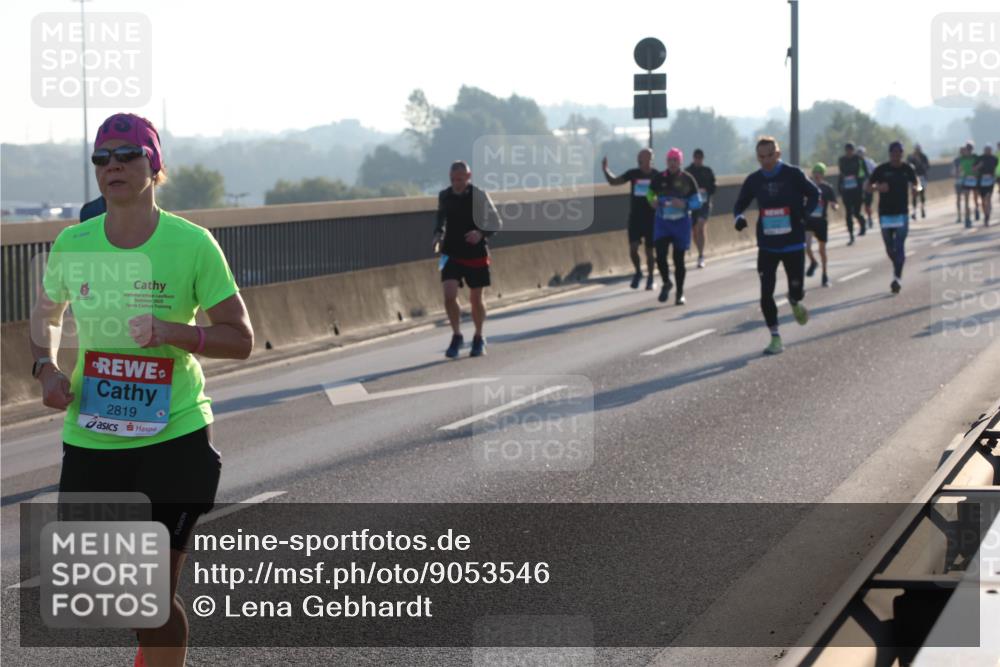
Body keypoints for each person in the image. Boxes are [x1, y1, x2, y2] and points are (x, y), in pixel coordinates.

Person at [30, 113, 254, 667]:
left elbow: (240, 338)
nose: (113, 167)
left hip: (173, 432)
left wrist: (173, 332)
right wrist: (46, 368)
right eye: (102, 159)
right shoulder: (73, 242)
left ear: (154, 167)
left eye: (127, 156)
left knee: (148, 595)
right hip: (92, 434)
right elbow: (46, 315)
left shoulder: (192, 244)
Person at [733, 136, 818, 355]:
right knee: (765, 293)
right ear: (757, 157)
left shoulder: (793, 174)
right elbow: (739, 205)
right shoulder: (754, 180)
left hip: (793, 243)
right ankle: (775, 336)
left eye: (770, 155)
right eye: (761, 157)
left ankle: (794, 301)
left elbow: (814, 193)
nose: (766, 160)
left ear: (778, 154)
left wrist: (806, 215)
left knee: (796, 290)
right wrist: (739, 218)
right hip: (768, 245)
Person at [433, 160, 502, 358]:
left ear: (468, 177)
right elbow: (440, 219)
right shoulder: (444, 196)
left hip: (475, 252)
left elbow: (496, 222)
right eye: (453, 179)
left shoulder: (478, 195)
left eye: (460, 179)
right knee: (449, 294)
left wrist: (481, 233)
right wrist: (437, 234)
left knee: (475, 299)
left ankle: (479, 337)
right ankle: (456, 335)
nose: (457, 183)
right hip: (450, 252)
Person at [646, 148, 702, 305]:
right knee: (660, 255)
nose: (672, 163)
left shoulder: (688, 179)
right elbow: (650, 194)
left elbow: (697, 202)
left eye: (675, 160)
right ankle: (666, 282)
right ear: (666, 162)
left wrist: (684, 204)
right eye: (670, 160)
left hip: (681, 223)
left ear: (680, 162)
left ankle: (680, 292)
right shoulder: (659, 178)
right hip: (663, 223)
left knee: (679, 260)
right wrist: (652, 201)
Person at [866, 141, 919, 295]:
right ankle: (898, 266)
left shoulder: (907, 169)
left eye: (899, 153)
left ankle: (897, 278)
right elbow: (867, 187)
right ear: (890, 154)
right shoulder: (881, 170)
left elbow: (917, 183)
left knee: (899, 244)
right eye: (894, 153)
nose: (897, 156)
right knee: (890, 248)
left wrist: (916, 189)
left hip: (902, 213)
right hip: (885, 214)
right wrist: (877, 188)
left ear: (902, 153)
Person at [602, 149, 656, 289]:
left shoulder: (657, 175)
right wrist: (606, 170)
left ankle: (651, 277)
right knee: (633, 249)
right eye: (639, 157)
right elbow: (614, 182)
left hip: (651, 218)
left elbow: (666, 190)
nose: (640, 160)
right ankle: (638, 272)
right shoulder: (633, 174)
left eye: (642, 157)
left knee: (650, 251)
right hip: (635, 218)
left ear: (650, 159)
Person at [805, 163, 838, 288]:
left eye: (820, 173)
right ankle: (813, 262)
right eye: (815, 172)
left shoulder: (827, 188)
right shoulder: (808, 187)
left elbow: (834, 202)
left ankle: (824, 275)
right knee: (806, 246)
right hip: (809, 221)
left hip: (821, 222)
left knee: (822, 250)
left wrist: (834, 206)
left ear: (823, 175)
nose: (817, 175)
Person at [686, 148, 717, 268]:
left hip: (704, 203)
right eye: (696, 157)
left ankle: (701, 255)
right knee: (695, 231)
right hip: (692, 205)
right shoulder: (688, 172)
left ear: (702, 159)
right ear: (693, 158)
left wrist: (706, 190)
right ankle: (700, 250)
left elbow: (714, 187)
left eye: (700, 158)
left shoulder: (707, 171)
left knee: (701, 225)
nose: (698, 160)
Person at [837, 142, 867, 244]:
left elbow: (865, 173)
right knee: (848, 213)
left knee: (856, 212)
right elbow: (841, 174)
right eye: (847, 150)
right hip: (847, 190)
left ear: (853, 150)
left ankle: (862, 223)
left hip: (857, 189)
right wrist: (840, 188)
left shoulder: (859, 159)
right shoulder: (842, 160)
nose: (849, 152)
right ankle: (851, 235)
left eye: (850, 150)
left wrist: (862, 183)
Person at [974, 145, 998, 226]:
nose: (988, 151)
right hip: (981, 181)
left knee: (988, 197)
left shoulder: (994, 159)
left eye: (989, 149)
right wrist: (979, 166)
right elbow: (973, 169)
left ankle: (987, 217)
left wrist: (994, 177)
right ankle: (985, 214)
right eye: (986, 149)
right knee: (983, 201)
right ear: (984, 150)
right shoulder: (980, 158)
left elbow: (994, 169)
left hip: (990, 181)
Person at [958, 142, 980, 227]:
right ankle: (967, 219)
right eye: (967, 149)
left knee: (975, 198)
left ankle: (977, 209)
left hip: (975, 179)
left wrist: (976, 169)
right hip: (966, 180)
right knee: (966, 201)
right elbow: (960, 168)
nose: (969, 150)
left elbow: (980, 165)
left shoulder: (975, 157)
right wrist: (959, 172)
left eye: (970, 149)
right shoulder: (962, 158)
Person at [906, 144, 929, 219]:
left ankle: (922, 209)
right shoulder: (910, 157)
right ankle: (914, 212)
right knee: (914, 195)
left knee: (922, 194)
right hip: (914, 178)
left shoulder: (923, 157)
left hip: (922, 177)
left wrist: (920, 163)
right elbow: (907, 166)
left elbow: (927, 166)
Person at [857, 146, 877, 230]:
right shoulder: (855, 163)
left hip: (868, 185)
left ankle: (869, 218)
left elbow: (876, 171)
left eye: (861, 153)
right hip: (858, 187)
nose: (860, 154)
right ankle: (863, 220)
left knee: (867, 205)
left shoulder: (869, 162)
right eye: (859, 153)